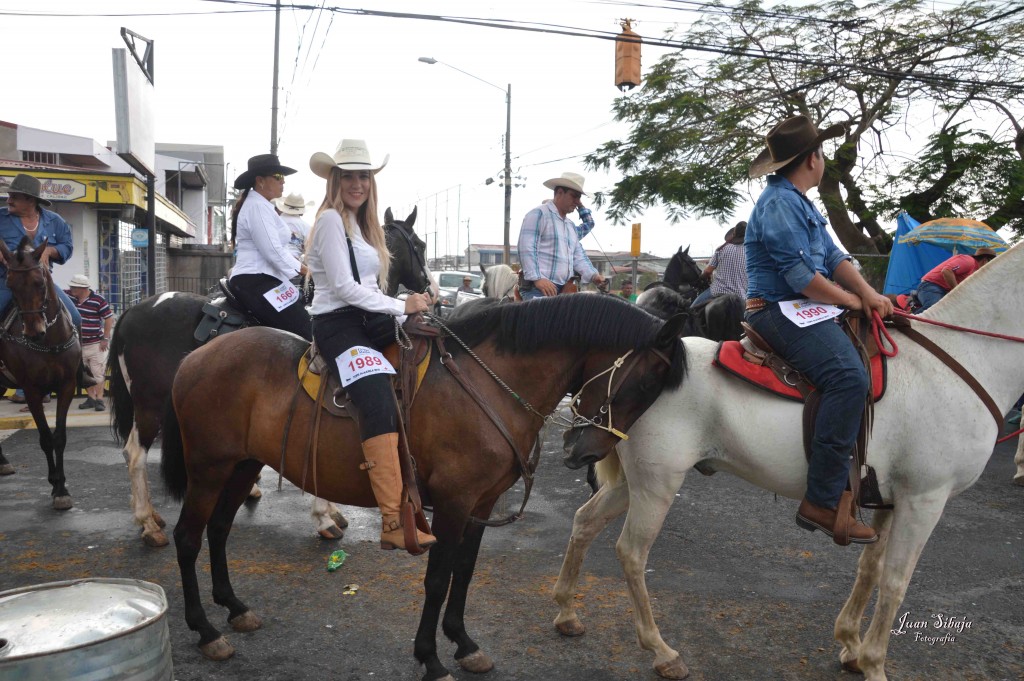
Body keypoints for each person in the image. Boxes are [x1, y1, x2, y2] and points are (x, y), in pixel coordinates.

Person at [744, 114, 893, 546]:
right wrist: (851, 301)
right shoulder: (778, 203)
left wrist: (869, 293)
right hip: (775, 310)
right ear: (814, 158)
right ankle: (823, 501)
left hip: (803, 308)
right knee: (848, 377)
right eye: (822, 153)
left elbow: (833, 257)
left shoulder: (801, 202)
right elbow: (801, 278)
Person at [305, 139, 436, 552]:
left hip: (370, 318)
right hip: (338, 323)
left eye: (364, 176)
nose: (358, 183)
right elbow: (343, 288)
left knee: (433, 355)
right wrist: (401, 305)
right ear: (335, 180)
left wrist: (407, 312)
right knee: (378, 397)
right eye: (349, 176)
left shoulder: (364, 226)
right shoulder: (330, 221)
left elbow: (367, 286)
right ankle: (393, 520)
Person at [1, 173, 83, 405]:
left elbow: (66, 247)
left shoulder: (55, 221)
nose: (9, 200)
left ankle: (80, 370)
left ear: (30, 199)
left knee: (75, 318)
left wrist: (49, 252)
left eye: (14, 197)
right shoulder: (0, 218)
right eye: (9, 196)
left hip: (41, 284)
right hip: (7, 282)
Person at [228, 154, 311, 341]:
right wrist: (307, 271)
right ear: (260, 181)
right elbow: (273, 252)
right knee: (308, 331)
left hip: (265, 279)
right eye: (278, 177)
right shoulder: (257, 206)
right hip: (256, 281)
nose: (283, 182)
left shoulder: (260, 205)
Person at [517, 172, 605, 300]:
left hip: (563, 289)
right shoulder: (539, 214)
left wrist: (593, 276)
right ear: (559, 193)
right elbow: (527, 248)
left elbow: (578, 256)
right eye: (573, 196)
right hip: (538, 288)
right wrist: (538, 278)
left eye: (579, 198)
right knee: (544, 319)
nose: (577, 201)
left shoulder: (570, 226)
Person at [66, 274, 114, 412]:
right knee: (83, 373)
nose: (71, 288)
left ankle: (99, 399)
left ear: (83, 288)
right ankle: (91, 398)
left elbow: (108, 319)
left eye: (74, 287)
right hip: (77, 344)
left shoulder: (98, 300)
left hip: (95, 343)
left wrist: (105, 339)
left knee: (97, 372)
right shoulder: (69, 297)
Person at [914, 247, 997, 311]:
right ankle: (905, 322)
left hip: (940, 289)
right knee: (934, 309)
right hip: (931, 285)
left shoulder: (973, 269)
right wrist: (957, 291)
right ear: (985, 260)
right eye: (991, 263)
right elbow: (947, 271)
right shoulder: (969, 261)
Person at [691, 221, 748, 308]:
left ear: (733, 234)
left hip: (717, 290)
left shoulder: (722, 249)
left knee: (691, 310)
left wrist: (701, 277)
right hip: (741, 296)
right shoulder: (750, 252)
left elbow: (708, 271)